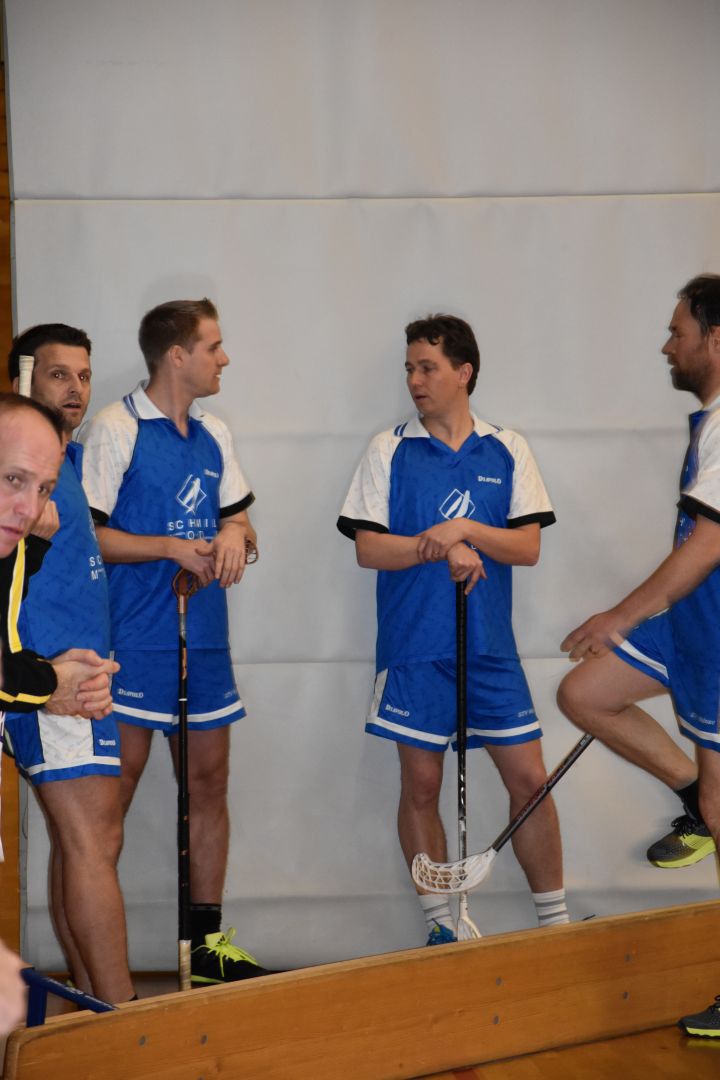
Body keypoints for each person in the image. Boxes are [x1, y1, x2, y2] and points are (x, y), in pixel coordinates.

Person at [337, 314, 568, 945]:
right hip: (415, 647)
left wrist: (463, 530)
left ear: (463, 373)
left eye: (428, 367)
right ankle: (443, 928)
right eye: (409, 368)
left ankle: (556, 928)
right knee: (422, 785)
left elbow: (526, 547)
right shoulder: (388, 448)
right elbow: (368, 548)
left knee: (530, 782)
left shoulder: (506, 447)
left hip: (491, 650)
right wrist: (439, 548)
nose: (415, 380)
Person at [80, 298, 270, 984]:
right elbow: (89, 535)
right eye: (213, 347)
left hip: (205, 640)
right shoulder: (116, 427)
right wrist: (168, 547)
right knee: (109, 805)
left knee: (209, 785)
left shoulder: (215, 431)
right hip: (133, 644)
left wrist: (234, 534)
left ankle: (207, 951)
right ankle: (101, 968)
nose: (224, 359)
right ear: (177, 355)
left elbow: (242, 521)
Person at [557, 273, 720, 1037]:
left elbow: (709, 544)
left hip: (714, 634)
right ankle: (692, 797)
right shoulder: (708, 422)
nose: (667, 345)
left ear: (715, 339)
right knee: (586, 694)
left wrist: (620, 616)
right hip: (690, 627)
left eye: (677, 332)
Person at [4, 326, 134, 1005]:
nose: (76, 389)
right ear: (22, 381)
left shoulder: (71, 462)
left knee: (83, 839)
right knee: (91, 838)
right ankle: (125, 1020)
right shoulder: (19, 478)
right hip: (51, 679)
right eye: (58, 374)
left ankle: (94, 1010)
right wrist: (45, 681)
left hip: (70, 676)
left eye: (83, 375)